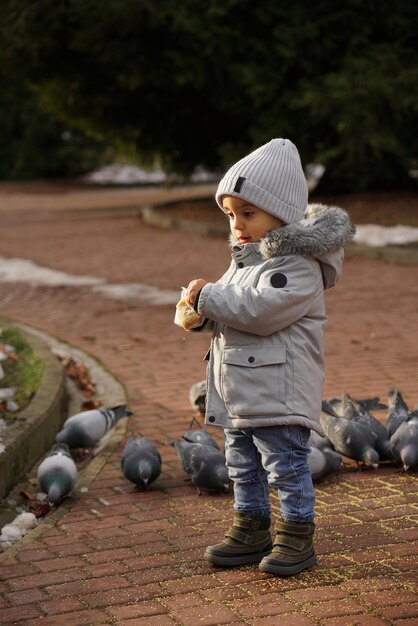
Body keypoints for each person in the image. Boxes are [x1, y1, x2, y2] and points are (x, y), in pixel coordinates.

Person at [183, 138, 355, 576]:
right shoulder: (246, 260)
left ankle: (297, 536)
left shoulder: (297, 266)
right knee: (241, 465)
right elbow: (227, 308)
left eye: (247, 213)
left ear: (281, 212)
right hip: (242, 392)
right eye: (230, 215)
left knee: (285, 466)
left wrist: (209, 297)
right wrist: (195, 310)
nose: (236, 224)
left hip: (277, 392)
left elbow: (258, 311)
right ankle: (250, 527)